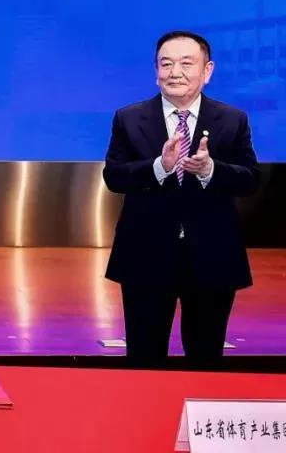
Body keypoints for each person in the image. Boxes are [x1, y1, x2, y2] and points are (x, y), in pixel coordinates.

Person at [103, 30, 260, 363]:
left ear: (207, 70)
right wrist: (159, 166)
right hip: (145, 255)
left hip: (212, 256)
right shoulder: (129, 118)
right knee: (144, 358)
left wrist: (210, 169)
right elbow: (114, 176)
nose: (175, 72)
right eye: (166, 63)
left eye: (186, 63)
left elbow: (250, 179)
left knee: (205, 358)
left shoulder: (232, 120)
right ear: (156, 71)